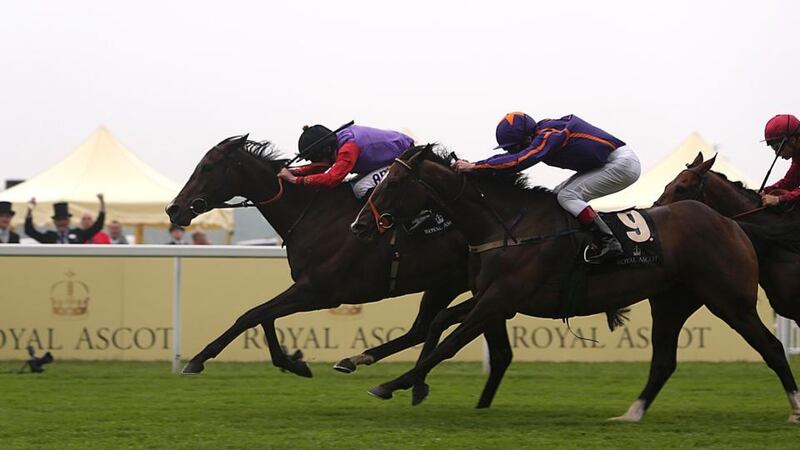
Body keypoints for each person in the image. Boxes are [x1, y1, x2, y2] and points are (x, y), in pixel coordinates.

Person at [453, 112, 641, 263]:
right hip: (606, 164)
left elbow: (520, 161)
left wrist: (476, 167)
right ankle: (580, 242)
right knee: (556, 196)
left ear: (527, 138)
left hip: (622, 164)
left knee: (567, 196)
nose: (511, 151)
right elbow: (515, 158)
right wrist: (476, 165)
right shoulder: (542, 133)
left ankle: (610, 240)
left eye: (513, 147)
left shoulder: (549, 134)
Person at [277, 123, 414, 199]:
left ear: (327, 150)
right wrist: (295, 171)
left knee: (360, 188)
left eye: (314, 158)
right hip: (391, 158)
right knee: (352, 185)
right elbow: (322, 166)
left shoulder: (348, 149)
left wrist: (295, 180)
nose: (314, 161)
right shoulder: (336, 142)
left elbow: (332, 178)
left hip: (404, 159)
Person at [24, 195, 106, 244]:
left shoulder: (78, 234)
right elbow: (30, 231)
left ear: (68, 221)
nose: (62, 223)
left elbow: (97, 226)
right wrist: (29, 211)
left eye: (64, 219)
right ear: (54, 222)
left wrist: (102, 204)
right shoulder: (49, 236)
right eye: (59, 220)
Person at [760, 114, 800, 207]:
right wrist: (764, 191)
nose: (777, 154)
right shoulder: (797, 156)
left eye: (778, 148)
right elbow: (790, 182)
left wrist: (779, 199)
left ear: (793, 140)